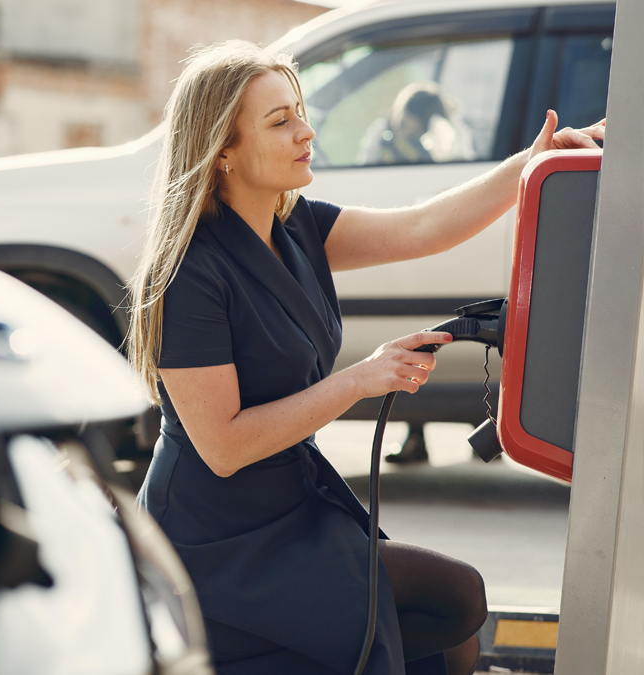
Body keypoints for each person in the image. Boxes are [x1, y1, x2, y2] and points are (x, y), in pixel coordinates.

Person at [127, 40, 603, 675]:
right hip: (217, 539)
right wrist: (363, 377)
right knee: (454, 602)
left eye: (299, 110)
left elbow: (422, 229)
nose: (306, 130)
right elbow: (223, 446)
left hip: (290, 505)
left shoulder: (297, 227)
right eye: (280, 121)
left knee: (447, 629)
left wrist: (533, 163)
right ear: (221, 154)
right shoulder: (190, 272)